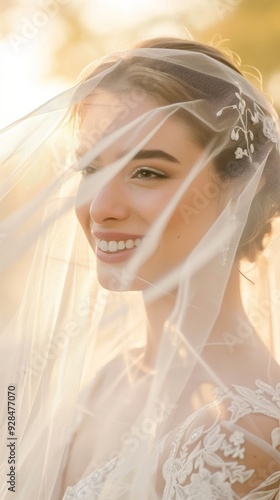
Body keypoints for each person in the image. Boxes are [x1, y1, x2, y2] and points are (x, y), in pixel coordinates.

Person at [0, 37, 279, 499]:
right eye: (90, 170)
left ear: (239, 190)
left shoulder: (245, 434)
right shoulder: (107, 378)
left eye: (147, 172)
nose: (101, 208)